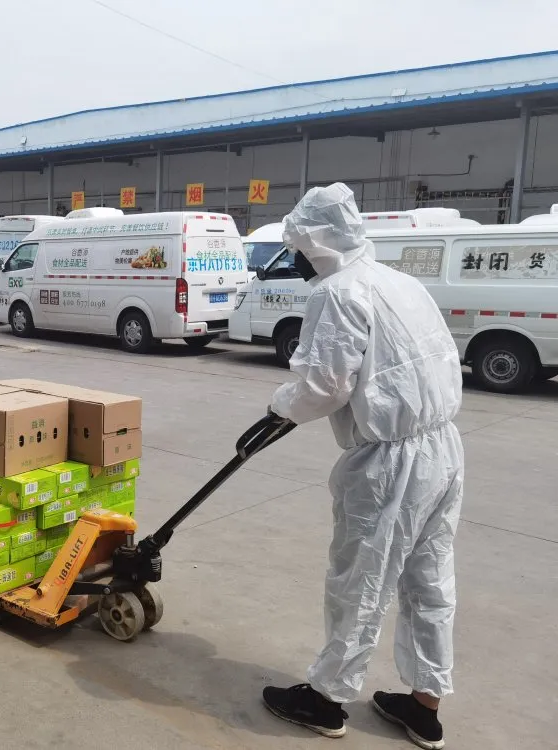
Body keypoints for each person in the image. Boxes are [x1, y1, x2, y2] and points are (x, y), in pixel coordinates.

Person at [260, 184, 464, 750]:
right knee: (430, 578)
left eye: (297, 248)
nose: (297, 260)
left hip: (390, 460)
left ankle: (326, 699)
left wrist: (279, 405)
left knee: (362, 579)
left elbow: (324, 387)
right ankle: (425, 705)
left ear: (317, 243)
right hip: (443, 448)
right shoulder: (399, 281)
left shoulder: (338, 292)